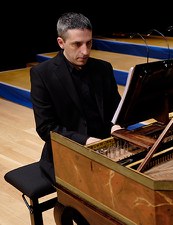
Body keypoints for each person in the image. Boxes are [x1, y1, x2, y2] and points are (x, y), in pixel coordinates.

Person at [30, 12, 122, 185]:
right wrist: (86, 141)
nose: (85, 51)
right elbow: (46, 128)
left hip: (107, 148)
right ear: (61, 43)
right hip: (66, 153)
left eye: (89, 43)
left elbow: (115, 108)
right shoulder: (42, 74)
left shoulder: (103, 68)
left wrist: (116, 125)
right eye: (77, 44)